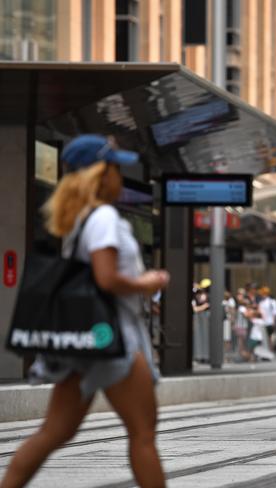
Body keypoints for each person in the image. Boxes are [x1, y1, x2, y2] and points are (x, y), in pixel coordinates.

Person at [1, 135, 169, 488]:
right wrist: (147, 282)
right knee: (143, 434)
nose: (119, 177)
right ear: (100, 174)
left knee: (54, 432)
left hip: (87, 344)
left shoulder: (82, 218)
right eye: (115, 168)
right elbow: (106, 278)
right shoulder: (104, 217)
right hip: (114, 340)